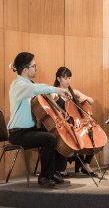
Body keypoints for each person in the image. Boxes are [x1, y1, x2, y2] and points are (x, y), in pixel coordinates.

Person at [8, 52, 71, 188]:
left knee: (56, 133)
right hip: (18, 134)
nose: (36, 68)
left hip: (29, 130)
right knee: (49, 138)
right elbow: (35, 89)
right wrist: (57, 89)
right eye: (34, 66)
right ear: (25, 70)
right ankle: (44, 177)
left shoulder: (28, 83)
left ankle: (54, 172)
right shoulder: (19, 85)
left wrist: (55, 106)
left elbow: (38, 96)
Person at [52, 67, 97, 177]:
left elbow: (91, 101)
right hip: (63, 125)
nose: (68, 81)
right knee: (65, 137)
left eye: (69, 78)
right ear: (58, 78)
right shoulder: (55, 92)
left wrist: (84, 98)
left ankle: (85, 164)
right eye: (65, 78)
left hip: (76, 124)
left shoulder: (73, 92)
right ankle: (61, 168)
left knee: (92, 133)